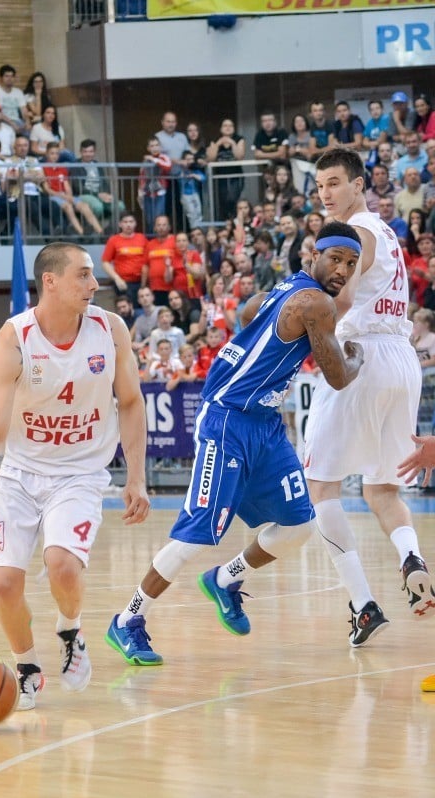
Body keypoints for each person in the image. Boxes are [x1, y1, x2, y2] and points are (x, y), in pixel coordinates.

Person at [105, 223, 365, 664]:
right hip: (227, 421)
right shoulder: (317, 302)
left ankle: (226, 579)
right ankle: (128, 619)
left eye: (351, 264)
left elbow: (249, 312)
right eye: (336, 258)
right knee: (197, 536)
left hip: (263, 424)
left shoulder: (285, 289)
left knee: (300, 524)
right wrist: (356, 354)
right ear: (315, 254)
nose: (342, 270)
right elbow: (339, 376)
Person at [0, 242, 149, 709]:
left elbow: (132, 402)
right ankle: (27, 667)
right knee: (3, 582)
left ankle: (70, 628)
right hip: (18, 473)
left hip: (80, 472)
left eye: (93, 275)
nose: (95, 284)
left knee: (62, 564)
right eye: (83, 274)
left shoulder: (111, 330)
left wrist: (135, 477)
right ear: (51, 281)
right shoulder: (13, 339)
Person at [305, 146, 434, 645]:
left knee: (321, 487)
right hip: (401, 359)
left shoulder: (355, 233)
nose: (326, 193)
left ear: (360, 184)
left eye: (334, 182)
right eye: (320, 186)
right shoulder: (385, 231)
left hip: (361, 357)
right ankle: (411, 560)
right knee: (382, 490)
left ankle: (362, 604)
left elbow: (341, 299)